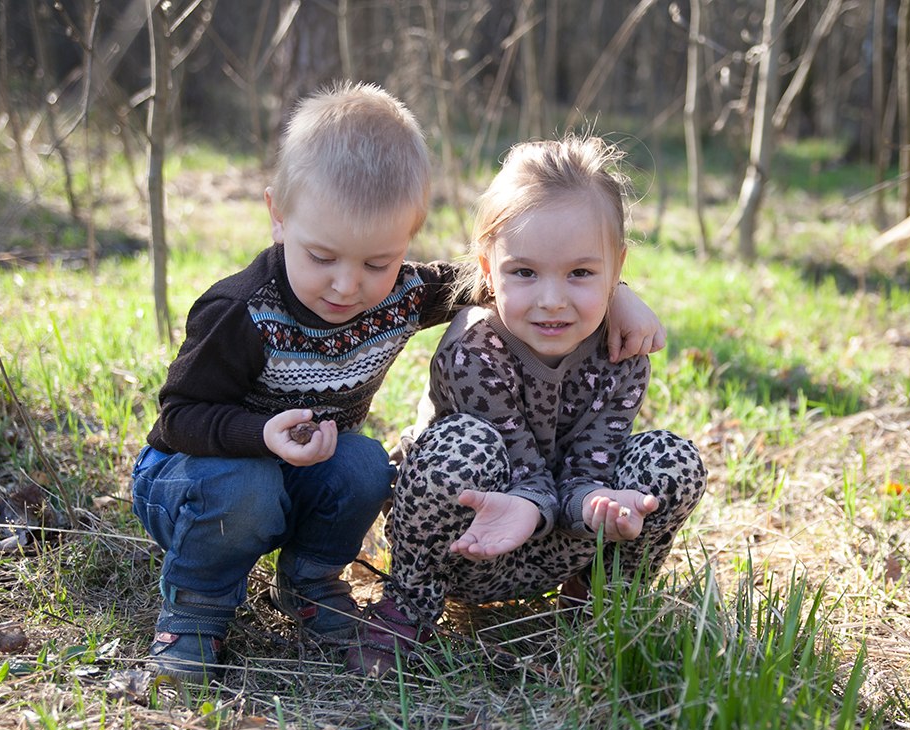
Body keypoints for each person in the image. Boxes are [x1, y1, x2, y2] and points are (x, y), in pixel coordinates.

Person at [130, 84, 664, 682]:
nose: (347, 286)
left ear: (408, 236)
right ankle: (193, 612)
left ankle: (309, 582)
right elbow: (178, 417)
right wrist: (259, 434)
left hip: (300, 471)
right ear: (279, 215)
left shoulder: (403, 294)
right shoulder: (240, 311)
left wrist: (616, 294)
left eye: (377, 263)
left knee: (363, 465)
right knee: (246, 485)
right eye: (322, 257)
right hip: (194, 475)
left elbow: (518, 277)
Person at [350, 135, 707, 674]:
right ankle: (411, 605)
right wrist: (533, 504)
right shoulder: (476, 348)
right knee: (459, 446)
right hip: (472, 541)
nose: (552, 300)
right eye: (524, 272)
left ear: (617, 268)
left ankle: (601, 601)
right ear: (488, 269)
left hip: (563, 541)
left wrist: (598, 505)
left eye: (581, 273)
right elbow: (519, 467)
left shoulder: (621, 352)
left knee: (672, 461)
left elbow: (593, 461)